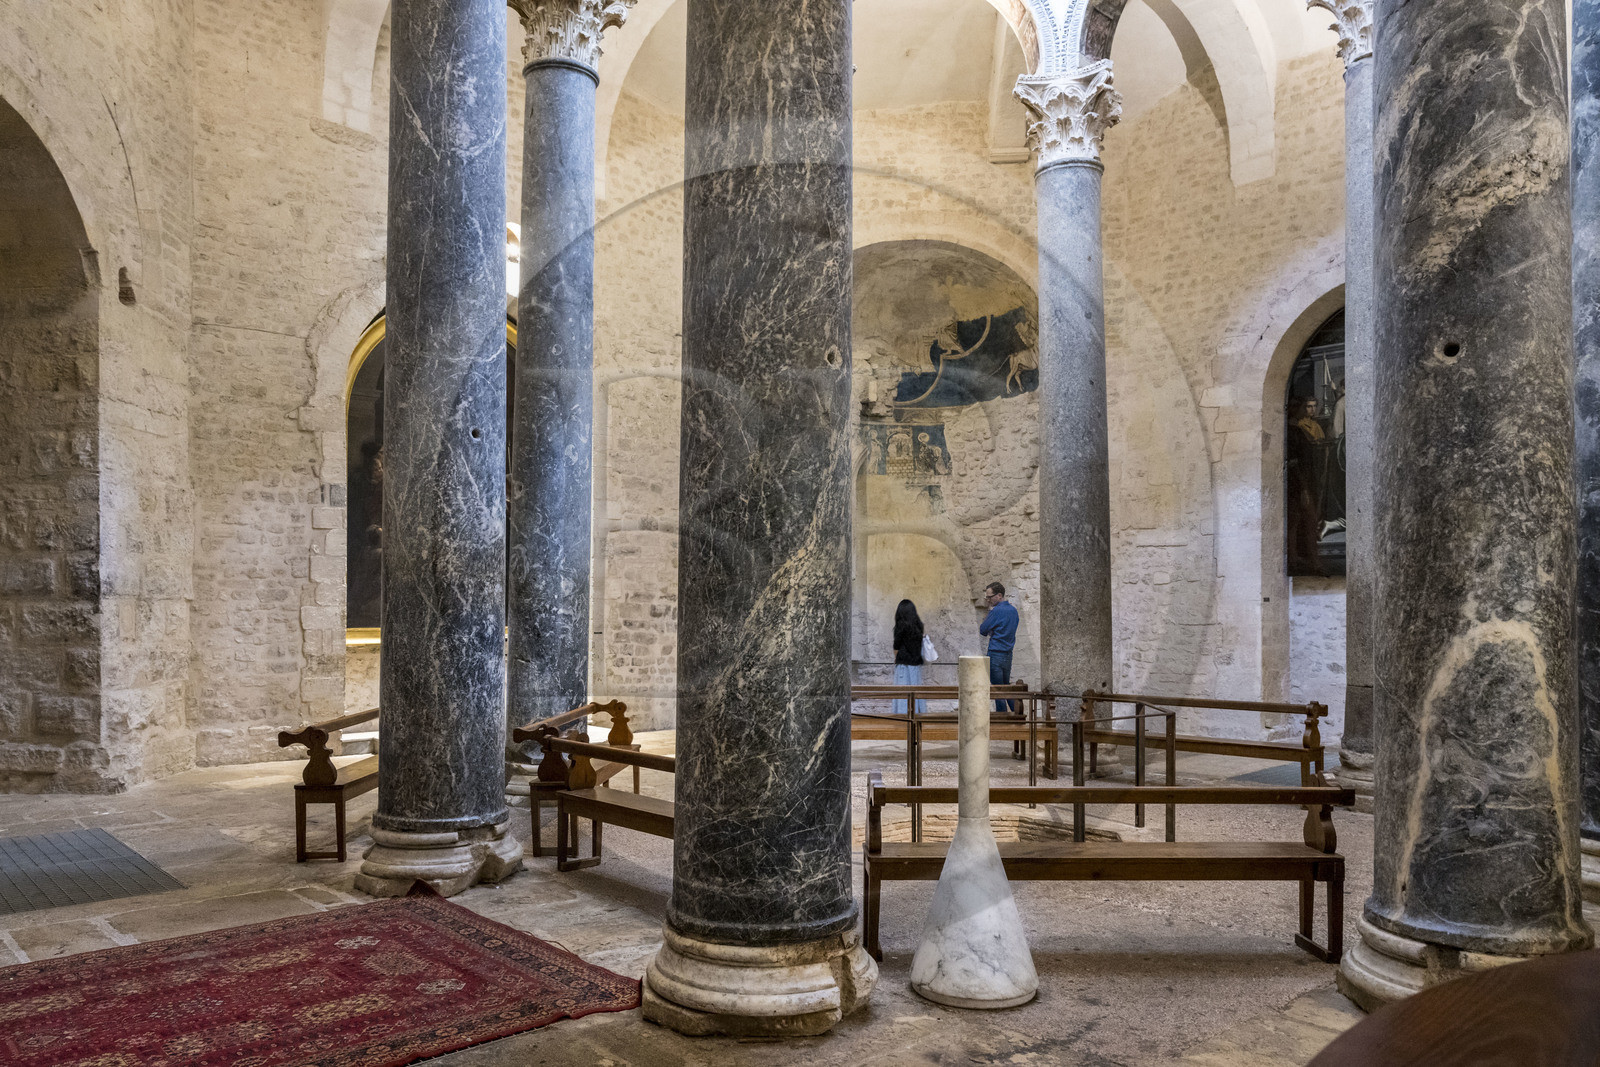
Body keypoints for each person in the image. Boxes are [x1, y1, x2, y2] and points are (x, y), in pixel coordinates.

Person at [979, 582, 1018, 714]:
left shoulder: (997, 611)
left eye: (990, 597)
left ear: (999, 595)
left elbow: (983, 630)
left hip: (995, 653)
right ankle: (1018, 713)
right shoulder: (1013, 611)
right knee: (1005, 686)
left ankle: (1002, 720)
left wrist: (991, 630)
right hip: (1008, 654)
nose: (988, 600)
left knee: (997, 689)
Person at [891, 599, 929, 716]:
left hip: (903, 664)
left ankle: (902, 716)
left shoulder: (900, 626)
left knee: (903, 693)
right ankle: (918, 713)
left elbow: (896, 646)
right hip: (916, 665)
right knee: (916, 692)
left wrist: (896, 658)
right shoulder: (919, 626)